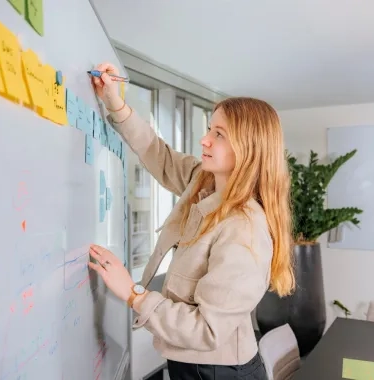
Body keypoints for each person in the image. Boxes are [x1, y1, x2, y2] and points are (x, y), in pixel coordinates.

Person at [88, 62, 295, 380]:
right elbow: (159, 155)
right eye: (210, 129)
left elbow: (207, 330)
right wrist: (115, 103)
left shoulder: (245, 229)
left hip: (221, 372)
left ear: (248, 149)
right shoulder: (205, 180)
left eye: (219, 134)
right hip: (194, 364)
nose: (205, 140)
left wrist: (132, 293)